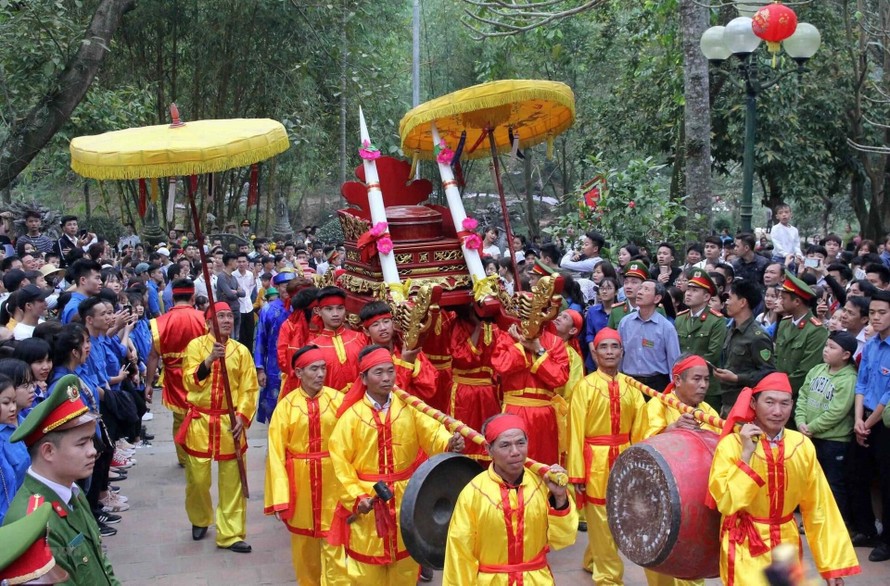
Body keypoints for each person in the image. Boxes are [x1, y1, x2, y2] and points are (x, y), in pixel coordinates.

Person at [328, 345, 465, 584]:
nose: (386, 378)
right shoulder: (352, 417)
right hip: (369, 502)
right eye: (378, 372)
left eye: (390, 371)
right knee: (365, 573)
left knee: (404, 568)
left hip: (407, 500)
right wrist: (357, 497)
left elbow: (432, 432)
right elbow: (340, 465)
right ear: (363, 378)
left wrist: (448, 442)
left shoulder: (409, 407)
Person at [708, 372, 860, 586]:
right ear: (753, 402)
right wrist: (746, 455)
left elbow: (820, 507)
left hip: (786, 544)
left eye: (784, 403)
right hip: (745, 543)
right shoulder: (732, 445)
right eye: (769, 402)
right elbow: (726, 502)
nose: (777, 411)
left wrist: (831, 566)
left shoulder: (801, 445)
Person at [3, 374, 120, 585]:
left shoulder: (70, 489)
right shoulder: (33, 525)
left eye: (91, 441)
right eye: (82, 443)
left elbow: (101, 563)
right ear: (48, 451)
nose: (93, 451)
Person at [442, 413, 577, 585]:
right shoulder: (473, 493)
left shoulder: (542, 486)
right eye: (505, 445)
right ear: (489, 450)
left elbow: (564, 539)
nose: (515, 452)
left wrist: (559, 497)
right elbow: (459, 557)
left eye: (520, 443)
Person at [567, 328, 646, 582]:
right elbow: (576, 431)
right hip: (596, 462)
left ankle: (593, 557)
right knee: (600, 518)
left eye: (615, 347)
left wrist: (641, 469)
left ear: (622, 351)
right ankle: (608, 578)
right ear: (595, 351)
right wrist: (577, 474)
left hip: (624, 460)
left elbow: (642, 432)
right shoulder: (585, 387)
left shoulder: (632, 387)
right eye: (604, 347)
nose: (610, 352)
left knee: (619, 516)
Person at [180, 303, 258, 552]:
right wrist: (210, 359)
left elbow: (249, 388)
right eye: (220, 316)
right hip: (201, 421)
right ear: (208, 322)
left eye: (229, 316)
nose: (226, 320)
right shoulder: (195, 347)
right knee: (198, 479)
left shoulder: (241, 351)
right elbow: (189, 380)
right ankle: (200, 518)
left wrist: (242, 417)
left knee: (232, 480)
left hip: (229, 423)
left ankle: (231, 533)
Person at [265, 345, 346, 585]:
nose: (321, 374)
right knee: (304, 552)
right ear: (299, 373)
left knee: (336, 548)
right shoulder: (286, 407)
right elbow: (276, 454)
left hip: (333, 483)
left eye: (323, 368)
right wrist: (280, 497)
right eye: (314, 369)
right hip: (300, 486)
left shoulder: (338, 401)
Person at [794, 331, 857, 523]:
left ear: (846, 355)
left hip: (834, 441)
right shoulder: (817, 370)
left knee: (832, 483)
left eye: (832, 347)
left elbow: (837, 412)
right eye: (826, 345)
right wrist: (800, 421)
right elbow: (803, 396)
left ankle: (834, 522)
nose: (826, 350)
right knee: (811, 481)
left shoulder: (848, 378)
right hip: (810, 435)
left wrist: (811, 426)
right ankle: (812, 519)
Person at [491, 316, 569, 465]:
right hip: (514, 411)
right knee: (513, 461)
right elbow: (501, 365)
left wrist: (538, 349)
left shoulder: (554, 341)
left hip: (544, 415)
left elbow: (559, 377)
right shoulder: (507, 337)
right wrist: (521, 345)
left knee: (544, 462)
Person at [144, 279, 205, 467]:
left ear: (172, 298)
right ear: (193, 296)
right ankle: (200, 451)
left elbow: (153, 356)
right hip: (200, 373)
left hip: (174, 375)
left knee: (180, 417)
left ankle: (184, 457)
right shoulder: (203, 318)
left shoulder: (159, 323)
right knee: (200, 414)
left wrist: (148, 384)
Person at [848, 289, 890, 559]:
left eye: (882, 313)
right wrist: (858, 420)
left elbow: (888, 394)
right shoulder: (872, 344)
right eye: (872, 312)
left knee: (886, 482)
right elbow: (861, 383)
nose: (875, 317)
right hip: (864, 419)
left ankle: (887, 539)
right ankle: (866, 529)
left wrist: (869, 422)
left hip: (884, 422)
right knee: (856, 473)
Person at [713, 279, 776, 416]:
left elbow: (768, 373)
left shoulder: (757, 337)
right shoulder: (730, 329)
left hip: (745, 407)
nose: (727, 302)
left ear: (742, 302)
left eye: (730, 298)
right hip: (727, 403)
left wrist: (737, 378)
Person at [675, 269, 726, 410]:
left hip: (706, 386)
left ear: (706, 297)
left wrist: (689, 371)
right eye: (688, 289)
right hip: (682, 383)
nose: (689, 293)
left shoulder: (716, 321)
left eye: (695, 290)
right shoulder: (680, 318)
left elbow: (713, 354)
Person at [618, 279, 681, 392]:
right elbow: (620, 354)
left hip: (656, 383)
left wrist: (674, 389)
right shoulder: (625, 323)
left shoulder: (666, 327)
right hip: (628, 382)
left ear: (657, 298)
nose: (640, 292)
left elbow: (674, 360)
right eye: (640, 288)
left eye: (646, 289)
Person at [775, 274, 830, 401]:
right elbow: (776, 358)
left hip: (797, 396)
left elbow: (806, 371)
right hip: (777, 391)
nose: (780, 301)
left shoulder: (816, 330)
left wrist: (778, 387)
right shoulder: (785, 323)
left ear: (797, 302)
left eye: (783, 298)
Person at [306, 287, 366, 393]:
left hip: (362, 403)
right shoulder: (313, 348)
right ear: (318, 311)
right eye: (329, 309)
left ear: (345, 310)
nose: (335, 314)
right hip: (330, 405)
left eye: (340, 308)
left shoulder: (361, 338)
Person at [254, 271, 293, 423]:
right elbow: (260, 340)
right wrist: (260, 368)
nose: (287, 289)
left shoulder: (300, 308)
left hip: (296, 364)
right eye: (284, 286)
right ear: (277, 287)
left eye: (291, 285)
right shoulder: (268, 310)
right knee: (274, 406)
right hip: (273, 366)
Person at [60, 259, 102, 324]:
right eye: (97, 278)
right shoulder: (76, 307)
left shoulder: (87, 303)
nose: (101, 282)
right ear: (83, 280)